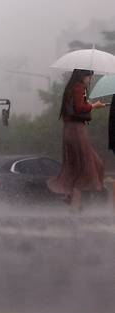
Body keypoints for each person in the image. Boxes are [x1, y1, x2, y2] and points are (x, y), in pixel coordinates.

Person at [47, 69, 107, 211]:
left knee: (81, 165)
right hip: (77, 131)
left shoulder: (71, 88)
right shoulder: (79, 87)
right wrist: (93, 105)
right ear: (83, 76)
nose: (90, 80)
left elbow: (76, 107)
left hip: (70, 130)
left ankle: (73, 199)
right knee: (88, 165)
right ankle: (75, 203)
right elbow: (80, 108)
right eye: (89, 77)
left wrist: (89, 104)